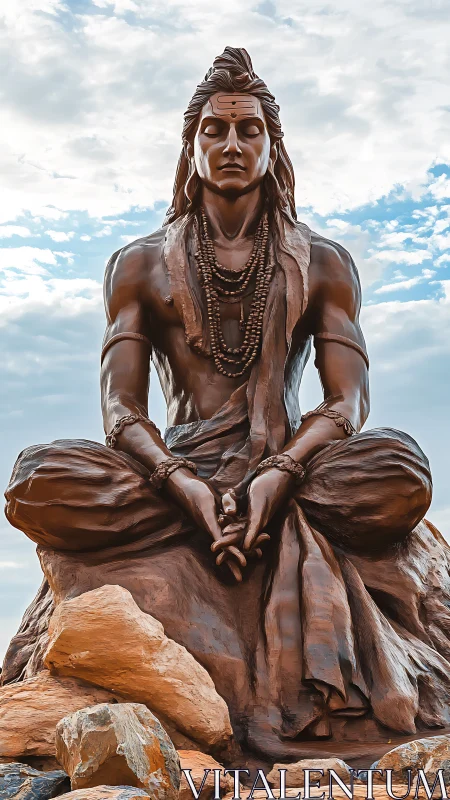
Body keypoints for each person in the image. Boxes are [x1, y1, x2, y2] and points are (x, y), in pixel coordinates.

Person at [5, 48, 450, 760]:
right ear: (192, 147)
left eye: (249, 130)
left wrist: (279, 474)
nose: (233, 144)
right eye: (215, 130)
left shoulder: (324, 261)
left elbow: (347, 400)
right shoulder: (139, 263)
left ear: (274, 148)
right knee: (37, 479)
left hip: (293, 468)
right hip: (174, 470)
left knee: (400, 468)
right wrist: (183, 485)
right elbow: (121, 411)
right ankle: (208, 512)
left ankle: (259, 507)